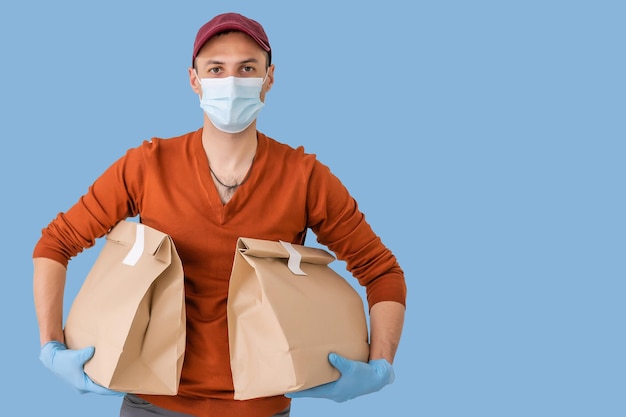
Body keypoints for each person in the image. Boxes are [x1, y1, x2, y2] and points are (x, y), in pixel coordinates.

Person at [33, 12, 407, 417]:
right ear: (194, 80)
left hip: (261, 409)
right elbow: (55, 243)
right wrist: (51, 345)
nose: (232, 82)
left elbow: (381, 271)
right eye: (216, 69)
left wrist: (380, 363)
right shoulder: (147, 166)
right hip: (152, 404)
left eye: (247, 68)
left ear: (269, 78)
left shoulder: (304, 178)